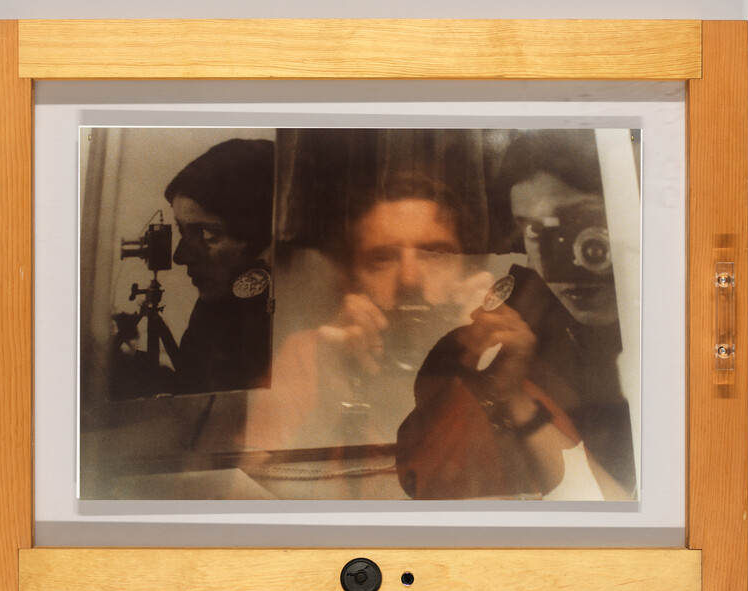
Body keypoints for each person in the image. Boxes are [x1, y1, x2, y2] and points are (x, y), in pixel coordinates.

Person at [243, 171, 621, 500]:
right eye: (382, 259)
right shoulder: (311, 354)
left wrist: (512, 397)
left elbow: (602, 506)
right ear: (350, 280)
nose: (410, 279)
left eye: (435, 254)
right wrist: (332, 401)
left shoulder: (490, 365)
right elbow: (246, 505)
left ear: (466, 273)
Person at [396, 130, 636, 499]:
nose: (554, 258)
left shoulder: (672, 311)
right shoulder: (516, 326)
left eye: (578, 227)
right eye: (533, 230)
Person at [164, 138, 275, 395]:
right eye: (182, 230)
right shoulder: (212, 309)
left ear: (261, 235)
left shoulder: (287, 319)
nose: (180, 257)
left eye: (207, 233)